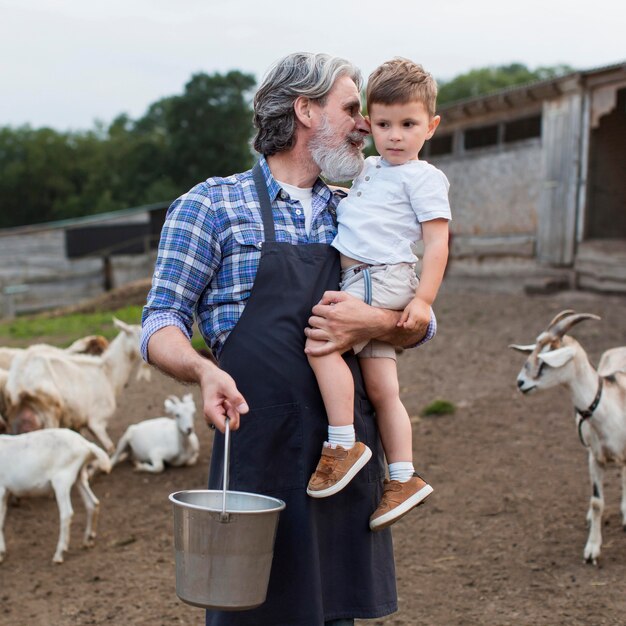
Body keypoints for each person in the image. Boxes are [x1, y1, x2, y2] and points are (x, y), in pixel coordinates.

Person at [141, 52, 437, 626]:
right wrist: (201, 370)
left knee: (334, 616)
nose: (365, 125)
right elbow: (160, 321)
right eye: (352, 109)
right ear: (304, 110)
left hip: (342, 460)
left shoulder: (359, 211)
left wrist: (373, 325)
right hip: (258, 455)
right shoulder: (209, 207)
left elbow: (421, 324)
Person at [305, 58, 451, 533]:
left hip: (380, 279)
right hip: (365, 279)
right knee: (383, 390)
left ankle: (342, 442)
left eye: (408, 125)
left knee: (322, 341)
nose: (394, 136)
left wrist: (423, 300)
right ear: (369, 123)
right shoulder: (369, 167)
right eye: (383, 124)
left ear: (430, 127)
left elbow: (436, 244)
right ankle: (403, 476)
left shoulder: (423, 177)